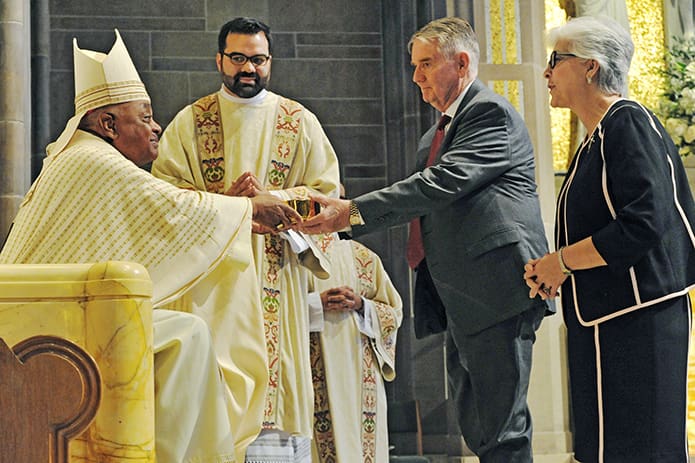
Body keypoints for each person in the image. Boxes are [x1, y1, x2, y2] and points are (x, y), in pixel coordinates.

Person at [0, 30, 302, 463]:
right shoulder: (94, 160)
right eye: (144, 116)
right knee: (189, 337)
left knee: (179, 332)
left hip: (44, 321)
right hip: (41, 333)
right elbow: (173, 209)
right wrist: (247, 208)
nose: (157, 126)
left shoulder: (80, 156)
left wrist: (233, 209)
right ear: (108, 124)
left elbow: (158, 217)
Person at [301, 16, 552, 463]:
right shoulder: (433, 135)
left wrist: (352, 210)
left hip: (496, 291)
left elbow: (439, 184)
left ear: (461, 62)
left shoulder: (489, 113)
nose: (415, 76)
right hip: (462, 296)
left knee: (503, 428)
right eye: (413, 65)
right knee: (478, 423)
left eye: (426, 64)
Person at [151, 17, 340, 462]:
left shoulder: (300, 122)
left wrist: (270, 201)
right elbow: (163, 199)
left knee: (276, 412)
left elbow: (328, 198)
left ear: (270, 61)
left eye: (257, 59)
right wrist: (225, 204)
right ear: (219, 60)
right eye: (237, 58)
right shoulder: (190, 123)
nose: (248, 68)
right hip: (211, 284)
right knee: (214, 400)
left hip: (279, 273)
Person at [523, 16, 695, 463]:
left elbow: (643, 221)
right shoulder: (596, 136)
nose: (546, 73)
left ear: (590, 67)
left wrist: (561, 262)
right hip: (607, 317)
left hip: (638, 320)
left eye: (554, 61)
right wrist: (556, 266)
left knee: (641, 450)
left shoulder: (627, 121)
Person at [308, 226, 403, 462]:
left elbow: (394, 314)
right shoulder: (295, 254)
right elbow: (271, 311)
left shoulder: (364, 257)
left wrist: (362, 305)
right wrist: (315, 304)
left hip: (361, 373)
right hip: (311, 371)